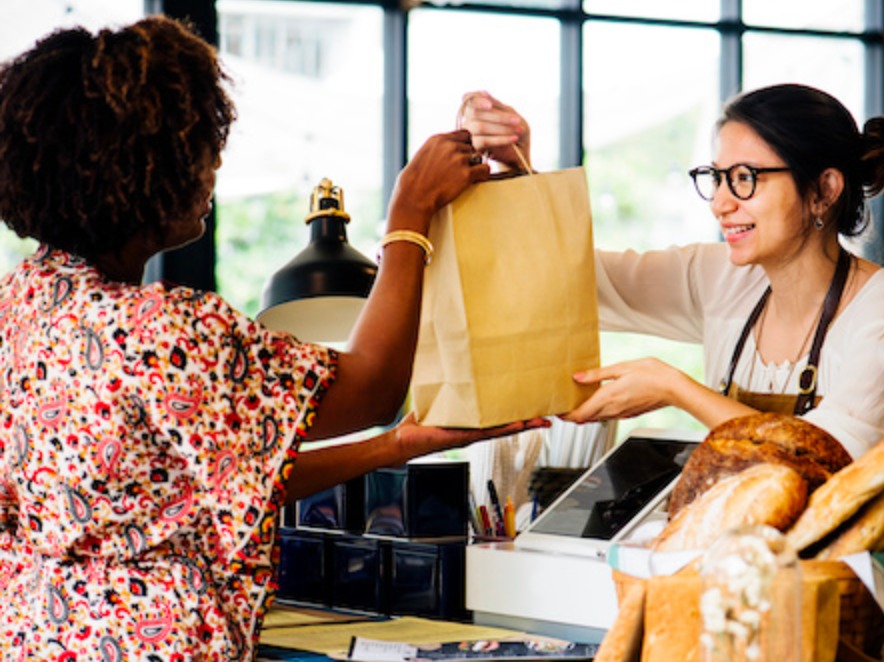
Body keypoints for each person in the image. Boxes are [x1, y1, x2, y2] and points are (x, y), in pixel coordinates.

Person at [0, 18, 547, 660]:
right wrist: (410, 212)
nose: (214, 165)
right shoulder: (166, 331)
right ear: (146, 170)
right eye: (200, 145)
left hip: (38, 634)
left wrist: (394, 446)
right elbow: (369, 387)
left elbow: (198, 486)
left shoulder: (20, 308)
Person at [458, 85, 884, 459]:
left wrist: (675, 389)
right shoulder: (724, 278)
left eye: (745, 179)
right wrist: (518, 170)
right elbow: (574, 278)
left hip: (841, 582)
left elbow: (829, 456)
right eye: (717, 178)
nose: (722, 204)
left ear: (825, 189)